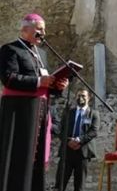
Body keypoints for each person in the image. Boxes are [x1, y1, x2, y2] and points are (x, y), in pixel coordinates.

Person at [0, 13, 69, 191]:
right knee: (20, 156)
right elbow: (9, 78)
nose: (43, 33)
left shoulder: (41, 54)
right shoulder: (10, 50)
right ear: (25, 29)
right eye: (40, 29)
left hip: (39, 109)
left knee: (36, 157)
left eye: (44, 30)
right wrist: (39, 81)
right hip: (20, 111)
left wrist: (58, 85)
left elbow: (44, 83)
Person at [54, 89, 99, 191]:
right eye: (78, 96)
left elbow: (94, 131)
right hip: (67, 152)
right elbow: (60, 130)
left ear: (89, 97)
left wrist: (79, 140)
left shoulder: (93, 114)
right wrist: (69, 141)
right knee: (60, 183)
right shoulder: (68, 112)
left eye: (83, 96)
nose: (81, 98)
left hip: (82, 153)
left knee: (79, 185)